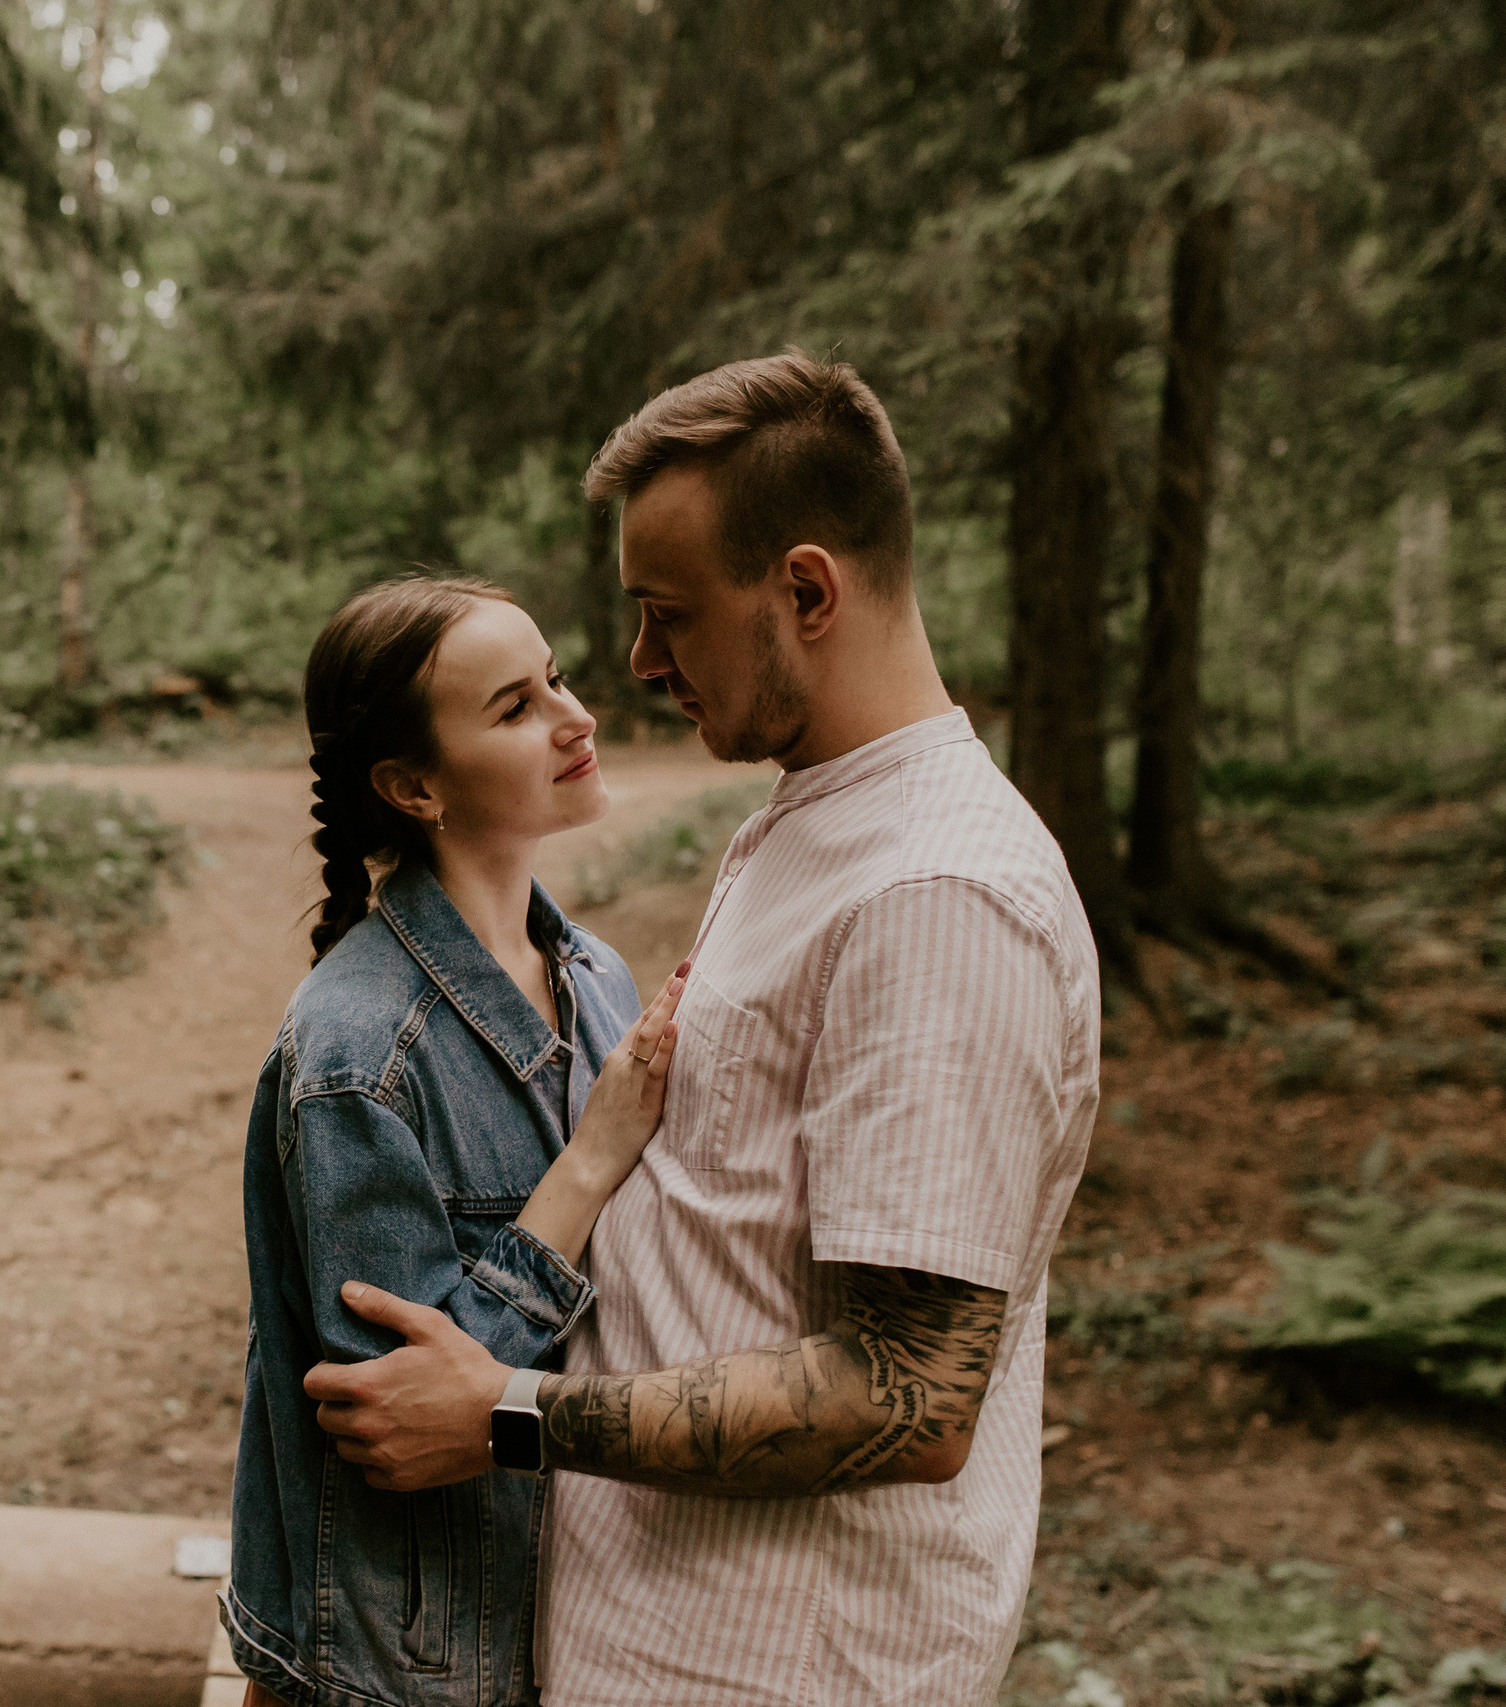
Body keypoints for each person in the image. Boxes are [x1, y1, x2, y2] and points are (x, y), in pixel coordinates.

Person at [301, 352, 1102, 1706]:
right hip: (660, 1641)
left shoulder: (941, 897)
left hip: (779, 1666)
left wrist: (504, 1411)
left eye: (668, 613)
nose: (638, 662)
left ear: (804, 589)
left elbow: (906, 1395)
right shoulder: (812, 814)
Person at [224, 576, 690, 1707]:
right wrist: (584, 1168)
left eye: (558, 680)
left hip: (566, 1619)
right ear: (414, 786)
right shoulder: (354, 1055)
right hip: (404, 1667)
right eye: (515, 707)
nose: (575, 718)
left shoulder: (596, 976)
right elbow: (396, 1415)